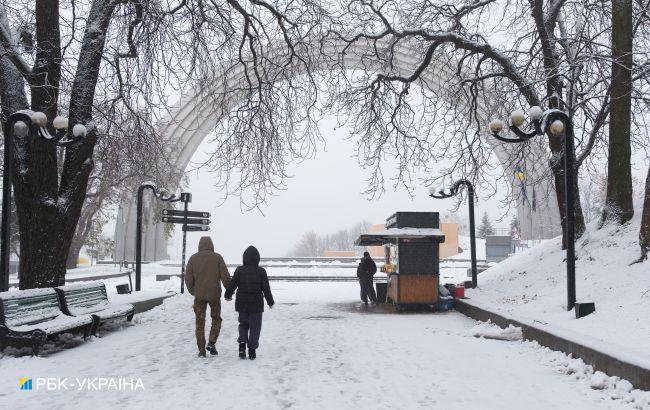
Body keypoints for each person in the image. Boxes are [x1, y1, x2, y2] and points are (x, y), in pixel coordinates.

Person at [224, 245, 274, 360]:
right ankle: (252, 350)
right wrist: (270, 302)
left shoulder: (239, 270)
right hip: (256, 305)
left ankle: (242, 345)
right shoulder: (261, 271)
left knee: (243, 324)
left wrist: (228, 295)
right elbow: (266, 288)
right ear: (257, 258)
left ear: (244, 258)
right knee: (255, 327)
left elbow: (233, 284)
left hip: (242, 304)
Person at [185, 236, 231, 357]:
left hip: (199, 295)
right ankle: (211, 342)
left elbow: (188, 278)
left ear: (200, 245)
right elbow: (225, 276)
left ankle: (201, 349)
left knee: (200, 322)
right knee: (216, 318)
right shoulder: (217, 258)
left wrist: (193, 291)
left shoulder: (193, 259)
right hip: (214, 294)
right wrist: (229, 290)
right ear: (211, 245)